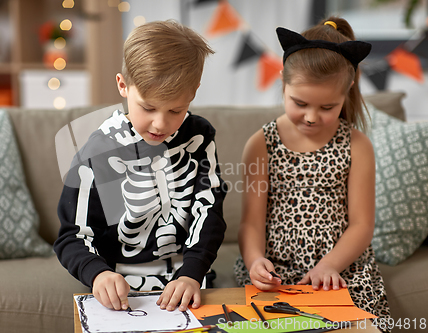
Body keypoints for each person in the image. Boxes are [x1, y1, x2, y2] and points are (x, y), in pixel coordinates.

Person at [54, 20, 226, 313]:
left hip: (188, 279)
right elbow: (72, 235)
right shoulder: (97, 151)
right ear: (123, 85)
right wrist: (97, 274)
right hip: (118, 288)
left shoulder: (198, 137)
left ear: (193, 93)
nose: (160, 124)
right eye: (148, 107)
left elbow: (208, 210)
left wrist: (192, 272)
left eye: (175, 110)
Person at [234, 17, 391, 320]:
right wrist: (255, 261)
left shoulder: (357, 145)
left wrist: (330, 265)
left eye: (327, 107)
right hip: (276, 270)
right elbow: (250, 223)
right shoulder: (260, 144)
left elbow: (361, 224)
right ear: (282, 81)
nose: (310, 117)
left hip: (340, 268)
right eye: (300, 103)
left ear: (349, 89)